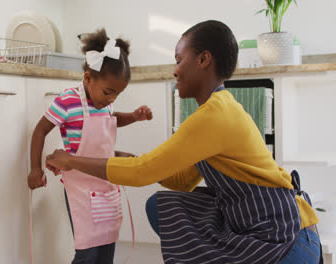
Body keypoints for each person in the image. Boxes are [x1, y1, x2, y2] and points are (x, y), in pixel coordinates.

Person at [45, 20, 322, 264]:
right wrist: (133, 161)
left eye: (179, 59)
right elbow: (182, 181)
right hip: (268, 226)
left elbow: (142, 173)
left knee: (168, 208)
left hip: (286, 242)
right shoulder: (216, 109)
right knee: (164, 207)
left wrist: (70, 160)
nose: (175, 70)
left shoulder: (214, 115)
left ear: (203, 60)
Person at [27, 28, 153, 264]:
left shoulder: (104, 102)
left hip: (106, 184)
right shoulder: (67, 101)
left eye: (118, 94)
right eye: (109, 92)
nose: (112, 99)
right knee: (87, 253)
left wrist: (134, 116)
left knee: (106, 248)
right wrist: (35, 169)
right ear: (87, 78)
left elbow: (113, 120)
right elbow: (40, 130)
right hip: (80, 190)